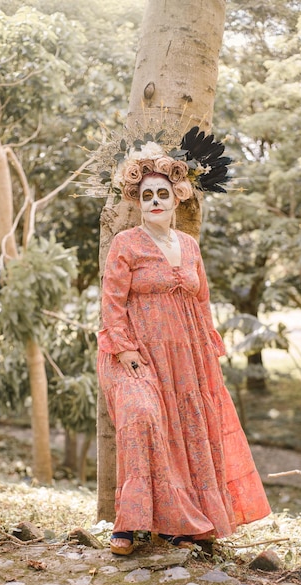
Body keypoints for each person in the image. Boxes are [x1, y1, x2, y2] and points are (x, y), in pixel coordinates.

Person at [95, 127, 271, 555]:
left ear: (177, 199)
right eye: (147, 195)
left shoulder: (190, 246)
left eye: (163, 194)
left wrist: (209, 349)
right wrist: (126, 348)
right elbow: (112, 301)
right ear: (137, 202)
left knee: (189, 431)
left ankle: (181, 522)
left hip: (188, 356)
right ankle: (127, 523)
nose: (155, 202)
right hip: (133, 354)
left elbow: (202, 301)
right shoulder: (125, 243)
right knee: (142, 418)